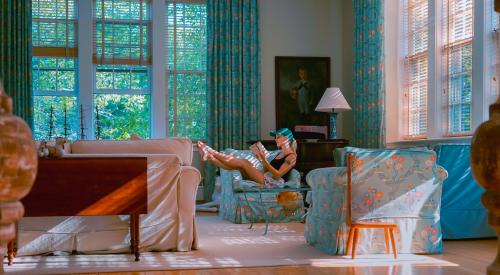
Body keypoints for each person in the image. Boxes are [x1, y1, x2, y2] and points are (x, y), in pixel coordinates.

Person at [196, 128, 298, 188]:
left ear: (286, 139)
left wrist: (265, 160)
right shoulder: (278, 153)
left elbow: (277, 174)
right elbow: (268, 169)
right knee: (238, 167)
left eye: (278, 137)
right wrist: (260, 159)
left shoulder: (292, 157)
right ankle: (209, 157)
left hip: (274, 183)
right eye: (275, 137)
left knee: (245, 162)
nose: (276, 139)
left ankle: (210, 151)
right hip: (266, 177)